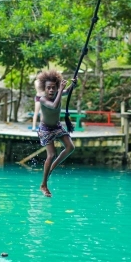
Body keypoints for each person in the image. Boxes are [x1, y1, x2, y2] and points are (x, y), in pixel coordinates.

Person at [37, 69, 77, 197]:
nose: (51, 90)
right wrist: (60, 90)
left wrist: (73, 85)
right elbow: (54, 106)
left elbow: (67, 91)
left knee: (71, 147)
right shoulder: (42, 99)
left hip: (57, 127)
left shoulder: (58, 93)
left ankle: (53, 166)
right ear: (44, 88)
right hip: (46, 129)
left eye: (54, 88)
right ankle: (43, 185)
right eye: (48, 88)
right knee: (52, 154)